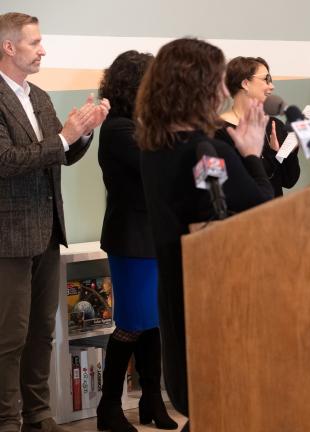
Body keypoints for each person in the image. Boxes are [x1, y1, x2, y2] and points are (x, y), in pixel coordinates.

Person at [135, 38, 274, 432]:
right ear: (199, 86)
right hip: (218, 296)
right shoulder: (206, 151)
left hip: (176, 288)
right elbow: (260, 209)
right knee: (223, 401)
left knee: (199, 402)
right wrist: (250, 153)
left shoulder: (153, 146)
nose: (221, 89)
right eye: (216, 79)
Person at [0, 12, 109, 432]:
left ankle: (39, 415)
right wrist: (63, 137)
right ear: (9, 47)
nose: (43, 49)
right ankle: (7, 419)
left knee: (42, 333)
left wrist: (81, 134)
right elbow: (6, 161)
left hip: (46, 234)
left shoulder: (40, 97)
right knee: (9, 337)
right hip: (8, 239)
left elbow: (57, 155)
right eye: (34, 42)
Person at [96, 51, 177, 432]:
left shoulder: (140, 124)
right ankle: (108, 407)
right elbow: (158, 170)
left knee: (154, 322)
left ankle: (151, 400)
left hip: (154, 237)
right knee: (131, 323)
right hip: (131, 239)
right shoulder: (118, 128)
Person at [217, 56, 300, 197]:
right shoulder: (219, 130)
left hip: (275, 213)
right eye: (266, 79)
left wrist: (290, 152)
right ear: (245, 83)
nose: (271, 86)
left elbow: (289, 181)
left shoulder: (274, 125)